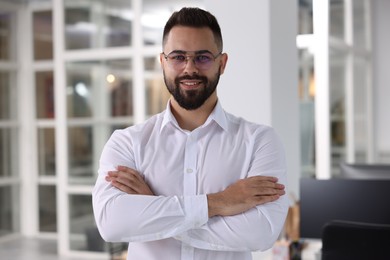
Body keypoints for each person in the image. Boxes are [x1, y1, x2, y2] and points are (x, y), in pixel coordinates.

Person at [92, 7, 288, 260]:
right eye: (178, 57)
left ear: (222, 62)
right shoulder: (127, 142)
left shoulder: (260, 141)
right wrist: (221, 202)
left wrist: (153, 207)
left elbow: (260, 233)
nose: (189, 68)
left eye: (203, 57)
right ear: (163, 62)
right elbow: (112, 223)